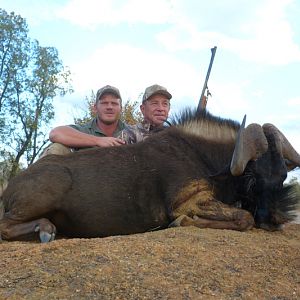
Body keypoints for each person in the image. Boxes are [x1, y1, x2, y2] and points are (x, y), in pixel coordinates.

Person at [41, 85, 126, 156]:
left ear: (121, 108)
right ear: (95, 108)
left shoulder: (133, 133)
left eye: (114, 103)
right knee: (57, 148)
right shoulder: (83, 130)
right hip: (85, 174)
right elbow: (55, 133)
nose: (109, 107)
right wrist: (98, 141)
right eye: (104, 103)